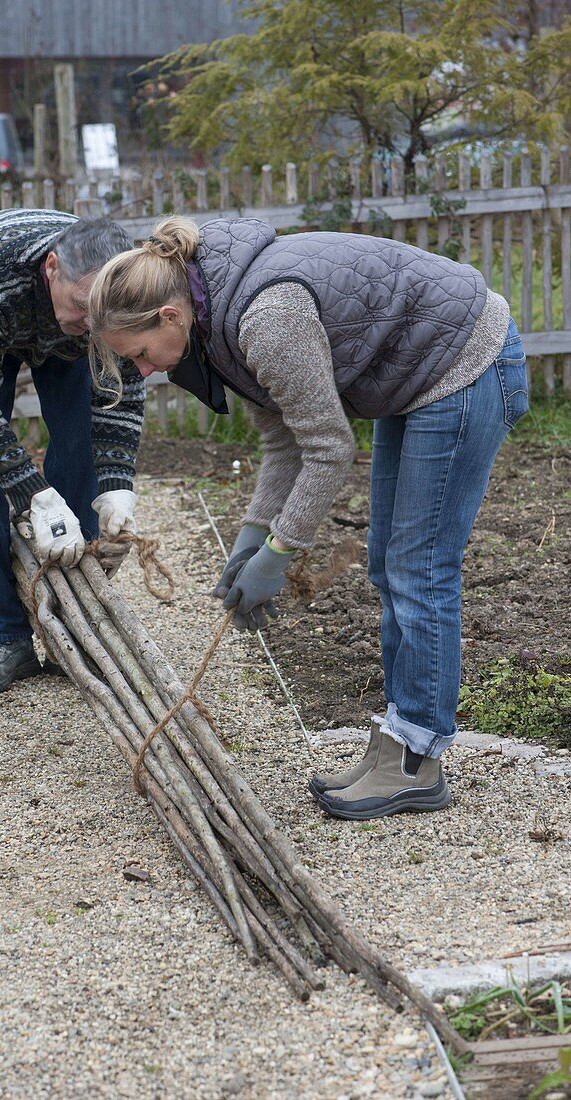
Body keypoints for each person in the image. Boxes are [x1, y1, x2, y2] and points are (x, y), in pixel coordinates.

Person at [86, 215, 529, 821]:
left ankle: (416, 762)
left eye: (137, 355)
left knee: (419, 569)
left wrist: (279, 553)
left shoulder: (265, 321)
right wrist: (249, 539)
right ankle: (399, 743)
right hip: (417, 374)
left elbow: (328, 447)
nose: (142, 371)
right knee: (390, 565)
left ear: (169, 315)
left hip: (465, 363)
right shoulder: (214, 324)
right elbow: (284, 443)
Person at [0, 208, 146, 697]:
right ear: (52, 268)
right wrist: (35, 497)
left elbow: (120, 394)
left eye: (102, 313)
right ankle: (6, 639)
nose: (92, 322)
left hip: (61, 349)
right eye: (82, 304)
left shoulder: (113, 296)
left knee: (82, 450)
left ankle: (75, 628)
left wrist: (117, 485)